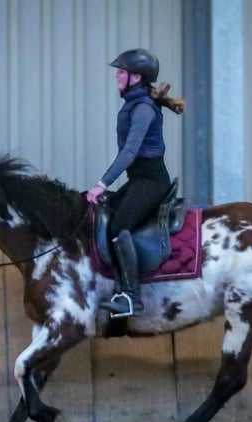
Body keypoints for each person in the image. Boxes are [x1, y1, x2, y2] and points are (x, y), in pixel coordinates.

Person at [86, 48, 185, 317]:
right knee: (106, 213)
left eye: (121, 71)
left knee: (119, 226)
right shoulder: (133, 103)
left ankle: (131, 297)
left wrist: (101, 183)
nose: (117, 76)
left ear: (136, 76)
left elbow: (129, 152)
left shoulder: (142, 108)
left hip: (152, 182)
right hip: (139, 179)